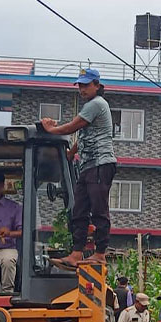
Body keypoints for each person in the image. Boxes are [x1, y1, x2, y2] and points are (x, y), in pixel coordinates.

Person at [41, 68, 117, 268]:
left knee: (99, 209)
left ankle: (100, 252)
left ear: (97, 85)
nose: (82, 89)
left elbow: (73, 127)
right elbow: (82, 135)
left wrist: (51, 130)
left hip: (101, 163)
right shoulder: (89, 106)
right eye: (80, 85)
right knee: (79, 210)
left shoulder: (97, 104)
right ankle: (76, 253)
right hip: (87, 165)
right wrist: (71, 152)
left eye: (86, 85)